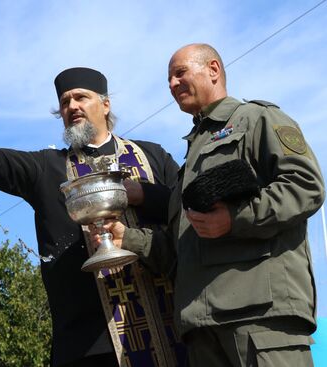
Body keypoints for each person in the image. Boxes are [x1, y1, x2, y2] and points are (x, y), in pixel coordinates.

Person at [0, 55, 185, 366]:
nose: (72, 106)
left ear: (105, 105)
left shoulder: (152, 156)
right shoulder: (46, 168)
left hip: (167, 328)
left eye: (81, 97)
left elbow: (185, 208)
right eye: (65, 102)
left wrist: (142, 193)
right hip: (89, 344)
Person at [92, 43, 325, 366]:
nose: (172, 85)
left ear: (213, 70)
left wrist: (234, 218)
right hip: (202, 330)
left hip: (260, 320)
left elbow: (306, 186)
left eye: (180, 73)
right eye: (169, 79)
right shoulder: (188, 163)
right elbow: (181, 249)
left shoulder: (256, 120)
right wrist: (126, 238)